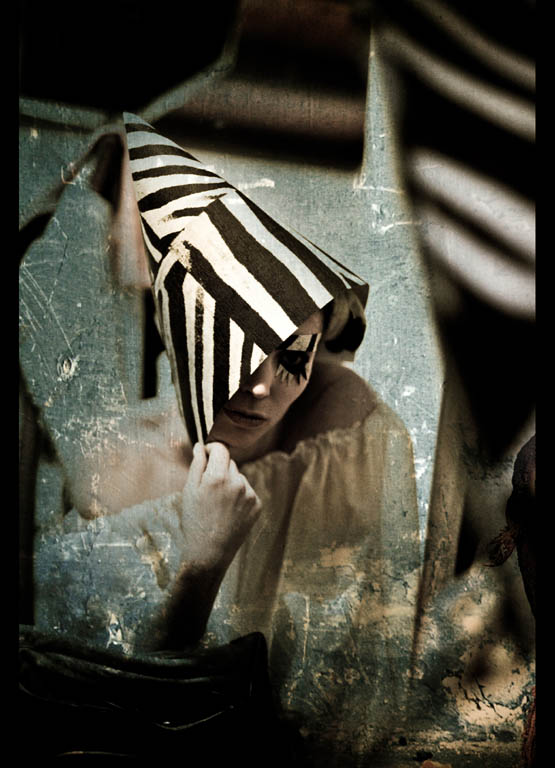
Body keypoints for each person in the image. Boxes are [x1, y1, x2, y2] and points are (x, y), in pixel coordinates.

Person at [33, 115, 420, 765]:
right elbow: (111, 723)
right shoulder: (116, 465)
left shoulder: (343, 433)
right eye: (238, 349)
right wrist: (202, 563)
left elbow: (356, 702)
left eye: (291, 357)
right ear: (180, 335)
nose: (264, 388)